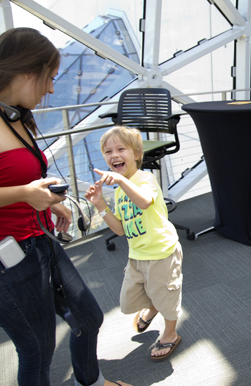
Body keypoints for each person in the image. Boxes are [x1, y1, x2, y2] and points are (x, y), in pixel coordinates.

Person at [0, 28, 129, 386]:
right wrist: (24, 194)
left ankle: (90, 382)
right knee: (37, 348)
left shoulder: (15, 116)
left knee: (87, 316)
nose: (51, 89)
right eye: (50, 77)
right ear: (27, 71)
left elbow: (12, 179)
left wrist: (47, 203)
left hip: (37, 240)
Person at [85, 126, 183, 361]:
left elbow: (145, 202)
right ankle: (153, 307)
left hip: (161, 253)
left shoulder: (144, 178)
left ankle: (170, 333)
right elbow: (119, 229)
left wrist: (120, 179)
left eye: (121, 149)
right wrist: (100, 204)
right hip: (137, 254)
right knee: (130, 299)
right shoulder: (120, 191)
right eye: (108, 152)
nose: (114, 155)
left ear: (137, 154)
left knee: (167, 297)